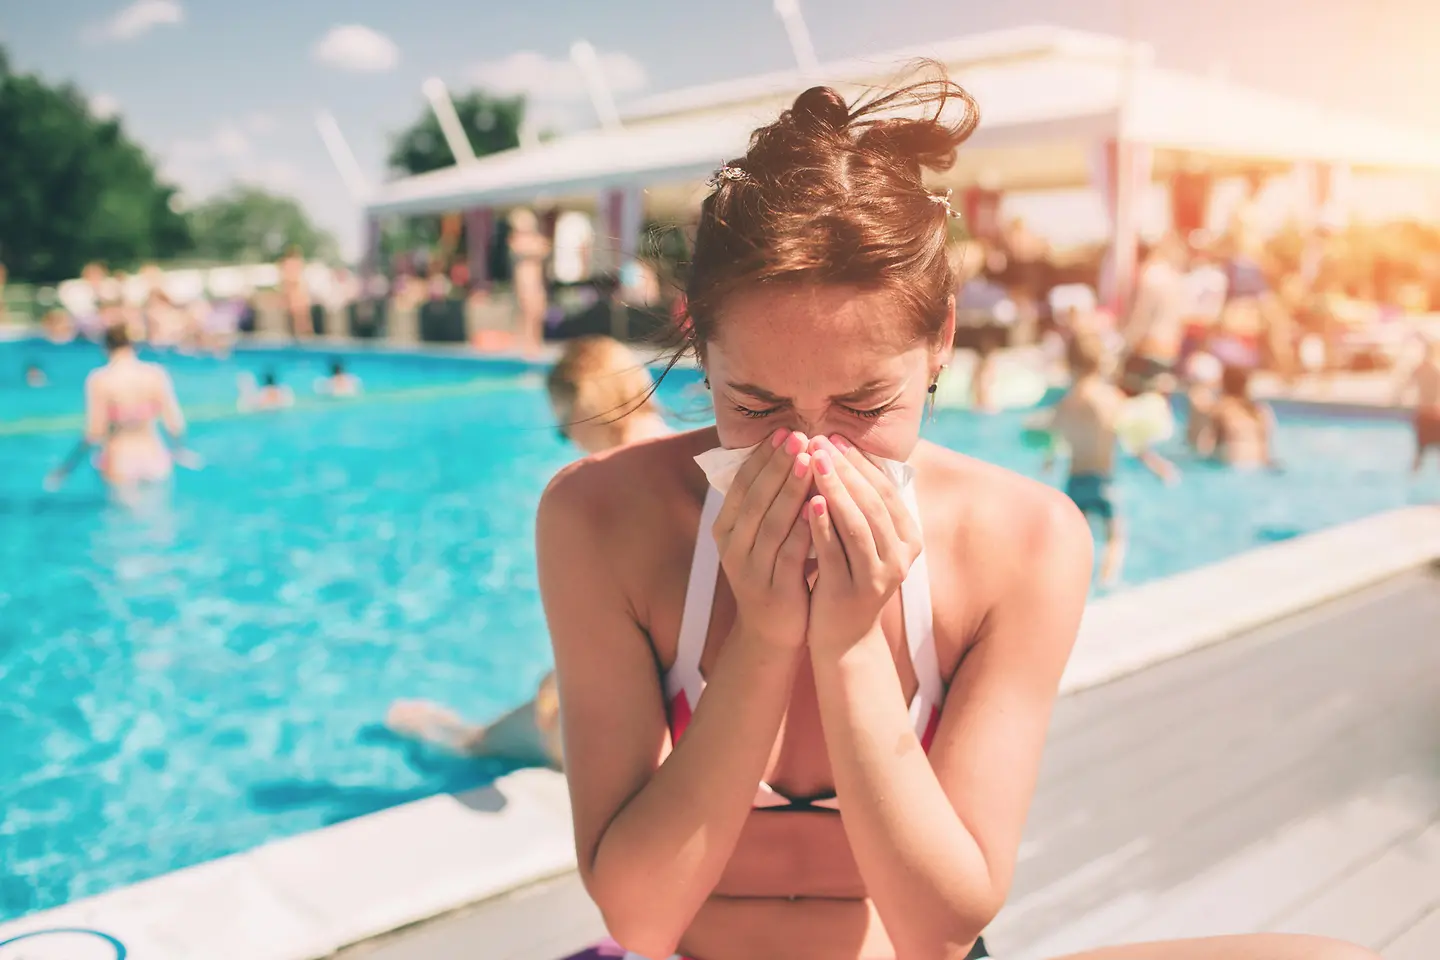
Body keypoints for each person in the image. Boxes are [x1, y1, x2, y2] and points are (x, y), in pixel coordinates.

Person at [540, 77, 1372, 960]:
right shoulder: (599, 517)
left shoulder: (1025, 542)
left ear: (939, 343)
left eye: (865, 404)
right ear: (700, 346)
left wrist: (853, 648)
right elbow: (641, 920)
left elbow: (941, 926)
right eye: (757, 402)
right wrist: (765, 638)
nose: (811, 451)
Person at [386, 336, 671, 768]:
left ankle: (446, 733)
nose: (567, 438)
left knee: (479, 743)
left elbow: (616, 646)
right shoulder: (696, 463)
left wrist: (558, 682)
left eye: (562, 424)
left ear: (582, 407)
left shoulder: (600, 488)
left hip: (642, 729)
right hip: (708, 710)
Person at [1046, 333, 1177, 588]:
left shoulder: (1067, 402)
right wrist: (1158, 467)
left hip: (1074, 482)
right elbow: (1129, 439)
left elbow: (1055, 439)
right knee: (1116, 537)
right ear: (1103, 364)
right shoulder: (1110, 398)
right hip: (1102, 482)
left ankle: (1068, 583)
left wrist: (1049, 461)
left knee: (1076, 542)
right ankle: (1107, 580)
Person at [45, 324, 200, 492]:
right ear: (133, 345)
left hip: (120, 459)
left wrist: (66, 468)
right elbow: (175, 424)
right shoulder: (155, 374)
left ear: (106, 347)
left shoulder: (100, 379)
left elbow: (94, 432)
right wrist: (180, 449)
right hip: (155, 457)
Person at [1196, 365, 1277, 470]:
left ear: (1224, 384)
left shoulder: (1220, 409)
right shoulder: (1261, 411)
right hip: (1259, 463)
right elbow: (1267, 449)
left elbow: (1205, 446)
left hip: (1233, 463)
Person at [508, 208, 552, 356]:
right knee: (526, 312)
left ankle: (536, 342)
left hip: (536, 280)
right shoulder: (517, 239)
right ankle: (526, 345)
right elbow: (534, 250)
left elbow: (544, 248)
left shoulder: (534, 239)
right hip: (524, 280)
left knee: (538, 311)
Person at [1394, 336, 1440, 474]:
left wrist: (1398, 401)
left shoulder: (1420, 369)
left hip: (1422, 414)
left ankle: (1413, 477)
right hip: (1433, 413)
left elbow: (1404, 388)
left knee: (1420, 452)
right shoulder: (1436, 371)